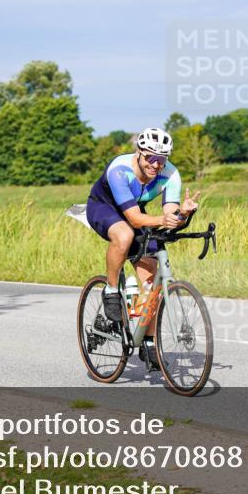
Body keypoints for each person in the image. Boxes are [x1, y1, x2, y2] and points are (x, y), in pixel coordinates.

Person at [86, 127, 201, 368]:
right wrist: (161, 220)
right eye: (150, 157)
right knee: (125, 234)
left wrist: (183, 213)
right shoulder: (120, 170)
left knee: (151, 278)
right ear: (139, 152)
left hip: (137, 212)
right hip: (104, 208)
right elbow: (135, 220)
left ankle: (147, 341)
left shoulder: (171, 175)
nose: (155, 165)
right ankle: (110, 290)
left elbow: (169, 214)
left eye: (161, 160)